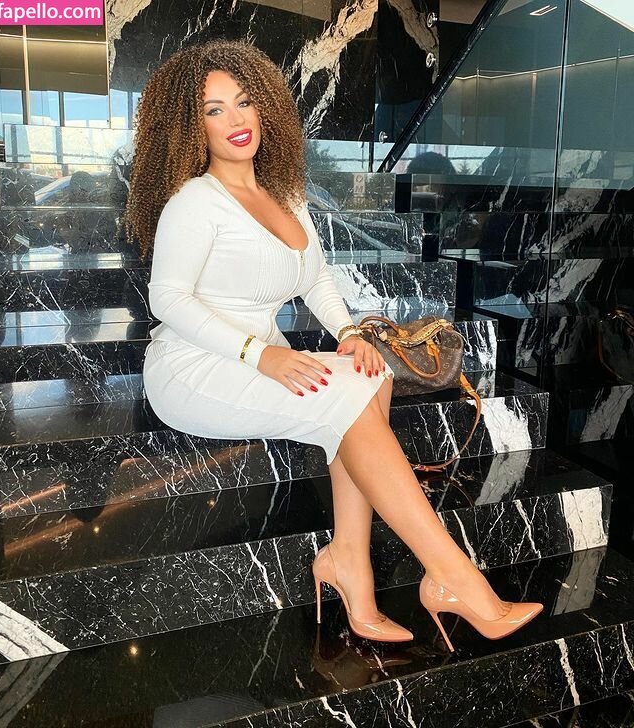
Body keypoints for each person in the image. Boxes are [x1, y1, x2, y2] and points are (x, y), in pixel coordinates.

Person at [122, 39, 543, 649]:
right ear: (193, 126)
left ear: (264, 106)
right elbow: (167, 300)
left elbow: (316, 277)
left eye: (244, 101)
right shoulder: (193, 203)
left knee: (371, 375)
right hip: (194, 367)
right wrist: (260, 354)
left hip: (261, 358)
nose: (236, 119)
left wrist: (347, 333)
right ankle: (453, 576)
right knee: (342, 401)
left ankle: (349, 560)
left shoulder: (284, 193)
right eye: (215, 109)